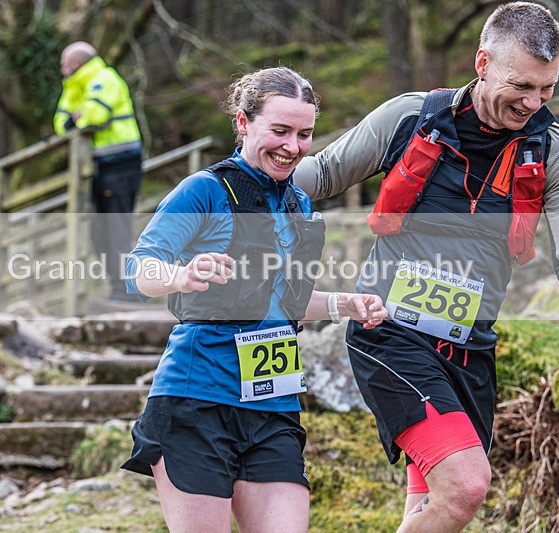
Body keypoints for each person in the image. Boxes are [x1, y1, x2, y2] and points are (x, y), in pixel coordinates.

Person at [292, 3, 559, 532]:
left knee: (433, 508)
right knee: (466, 485)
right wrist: (228, 196)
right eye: (521, 86)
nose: (533, 103)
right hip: (389, 335)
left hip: (469, 349)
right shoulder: (412, 117)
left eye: (547, 90)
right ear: (482, 62)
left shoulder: (553, 150)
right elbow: (316, 175)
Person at [120, 66, 388, 532]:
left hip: (272, 406)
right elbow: (138, 269)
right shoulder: (206, 190)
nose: (293, 146)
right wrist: (181, 275)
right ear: (243, 124)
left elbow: (284, 304)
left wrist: (348, 303)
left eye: (305, 134)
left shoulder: (298, 204)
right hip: (196, 400)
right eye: (280, 131)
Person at [54, 41, 142, 301]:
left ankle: (128, 290)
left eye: (64, 65)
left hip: (121, 163)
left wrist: (78, 116)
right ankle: (118, 288)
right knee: (99, 232)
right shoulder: (74, 87)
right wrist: (76, 117)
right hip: (99, 167)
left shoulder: (105, 79)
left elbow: (95, 115)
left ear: (77, 64)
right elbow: (61, 123)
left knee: (117, 228)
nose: (61, 70)